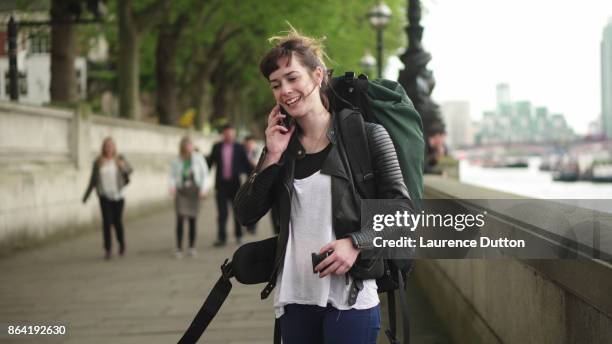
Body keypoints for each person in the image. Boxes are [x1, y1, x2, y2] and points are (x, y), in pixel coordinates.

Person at [233, 29, 410, 344]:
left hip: (350, 298)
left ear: (317, 75)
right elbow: (246, 213)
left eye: (292, 78)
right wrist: (271, 154)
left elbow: (403, 213)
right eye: (275, 85)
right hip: (295, 297)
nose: (285, 90)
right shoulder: (281, 148)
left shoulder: (368, 136)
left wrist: (356, 242)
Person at [83, 137, 133, 260]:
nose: (109, 148)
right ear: (103, 147)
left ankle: (121, 243)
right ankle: (108, 249)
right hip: (104, 195)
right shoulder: (98, 162)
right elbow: (93, 180)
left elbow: (130, 170)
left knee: (117, 222)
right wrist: (86, 195)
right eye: (107, 145)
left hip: (118, 196)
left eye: (111, 145)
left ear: (114, 147)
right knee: (106, 222)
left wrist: (122, 166)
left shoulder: (120, 159)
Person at [207, 124, 253, 247]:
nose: (229, 135)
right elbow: (209, 163)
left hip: (235, 185)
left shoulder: (239, 147)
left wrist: (255, 178)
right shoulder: (216, 147)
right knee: (222, 213)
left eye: (231, 133)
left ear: (234, 134)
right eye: (227, 133)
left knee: (236, 212)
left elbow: (247, 165)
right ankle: (222, 238)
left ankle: (238, 235)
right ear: (223, 134)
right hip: (221, 185)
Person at [169, 136, 209, 258]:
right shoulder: (177, 160)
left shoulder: (198, 158)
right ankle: (178, 248)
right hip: (182, 192)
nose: (189, 147)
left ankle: (192, 247)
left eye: (190, 145)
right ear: (182, 147)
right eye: (187, 145)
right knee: (180, 219)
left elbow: (205, 174)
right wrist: (172, 187)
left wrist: (203, 190)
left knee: (192, 219)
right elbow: (172, 176)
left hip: (194, 191)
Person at [242, 135, 261, 234]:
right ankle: (248, 225)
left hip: (257, 181)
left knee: (255, 204)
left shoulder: (258, 150)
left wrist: (248, 159)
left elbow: (258, 164)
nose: (247, 146)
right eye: (246, 145)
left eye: (249, 144)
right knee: (246, 204)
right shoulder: (244, 151)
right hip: (246, 180)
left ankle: (253, 226)